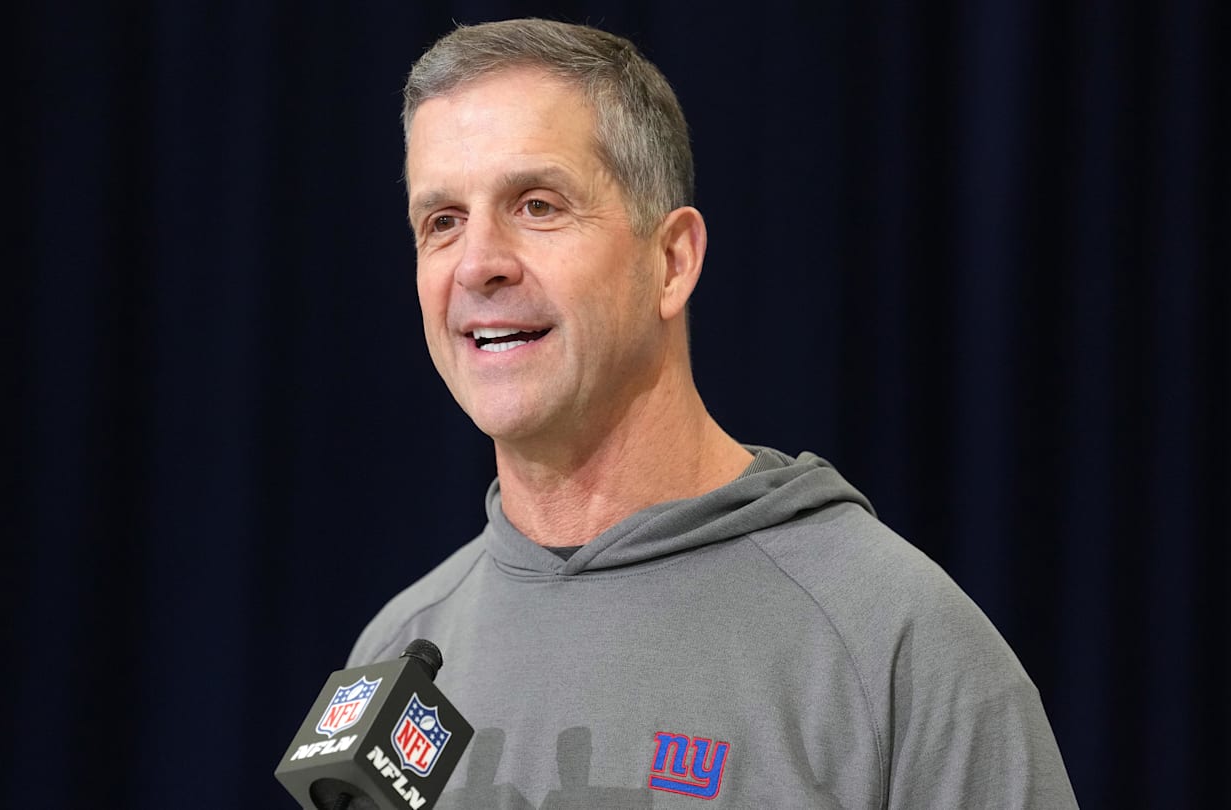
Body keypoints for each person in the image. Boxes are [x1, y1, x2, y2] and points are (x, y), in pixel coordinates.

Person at [349, 18, 1077, 808]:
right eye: (442, 222)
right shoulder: (399, 652)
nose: (480, 264)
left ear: (672, 261)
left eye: (537, 205)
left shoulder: (896, 646)